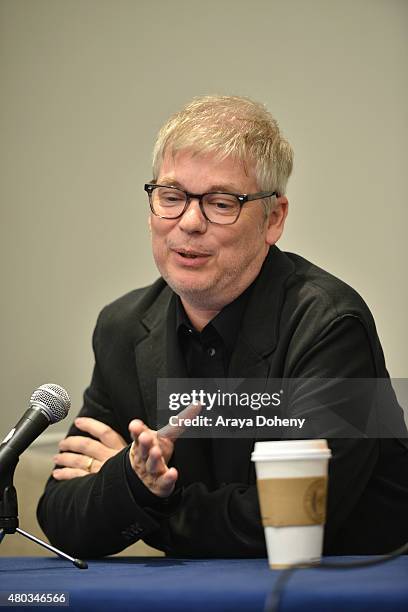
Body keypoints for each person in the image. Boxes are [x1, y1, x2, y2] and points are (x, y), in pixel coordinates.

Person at [37, 95, 408, 559]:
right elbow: (61, 516)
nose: (189, 223)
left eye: (220, 202)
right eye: (171, 197)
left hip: (344, 591)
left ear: (274, 219)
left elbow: (299, 519)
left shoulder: (331, 325)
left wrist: (150, 495)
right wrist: (132, 479)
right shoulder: (123, 327)